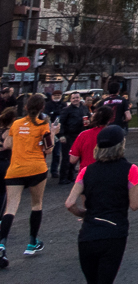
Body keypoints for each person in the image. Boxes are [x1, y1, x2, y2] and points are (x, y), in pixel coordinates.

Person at [64, 125, 138, 284]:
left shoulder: (86, 170)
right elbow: (134, 205)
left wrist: (83, 213)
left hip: (88, 234)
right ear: (121, 145)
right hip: (114, 232)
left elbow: (70, 203)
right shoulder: (130, 169)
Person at [0, 94, 56, 264]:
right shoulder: (43, 126)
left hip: (16, 169)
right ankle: (32, 242)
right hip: (36, 169)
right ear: (42, 109)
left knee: (10, 208)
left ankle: (2, 245)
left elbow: (7, 145)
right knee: (36, 204)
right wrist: (53, 132)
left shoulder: (16, 124)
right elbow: (48, 149)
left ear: (25, 107)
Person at [58, 91, 90, 184]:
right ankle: (63, 178)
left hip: (81, 135)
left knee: (77, 157)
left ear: (80, 98)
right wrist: (61, 135)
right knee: (67, 158)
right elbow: (61, 123)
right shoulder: (66, 110)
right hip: (69, 136)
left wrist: (89, 123)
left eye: (77, 97)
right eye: (73, 98)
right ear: (70, 99)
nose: (76, 99)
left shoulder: (84, 108)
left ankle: (71, 176)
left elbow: (88, 118)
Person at [70, 107, 114, 174]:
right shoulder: (113, 134)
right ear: (110, 119)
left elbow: (73, 159)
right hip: (108, 172)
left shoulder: (83, 135)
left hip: (87, 173)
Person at [43, 90, 63, 180]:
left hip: (58, 132)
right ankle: (43, 170)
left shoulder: (64, 105)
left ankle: (54, 171)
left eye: (58, 95)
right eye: (55, 95)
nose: (57, 96)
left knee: (57, 153)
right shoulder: (48, 105)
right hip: (47, 132)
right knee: (45, 151)